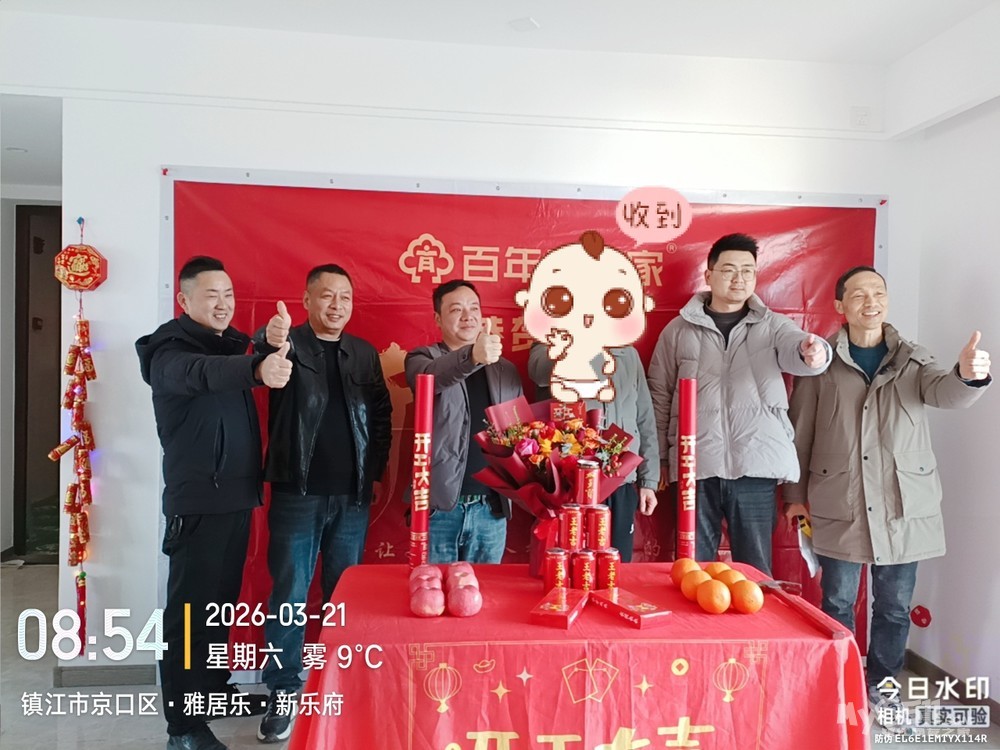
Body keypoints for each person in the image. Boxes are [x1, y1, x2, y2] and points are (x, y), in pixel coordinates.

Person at [785, 266, 990, 719]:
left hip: (902, 506)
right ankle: (838, 682)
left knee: (895, 607)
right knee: (836, 602)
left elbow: (946, 393)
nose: (871, 302)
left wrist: (967, 376)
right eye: (859, 294)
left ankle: (884, 687)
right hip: (841, 502)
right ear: (840, 305)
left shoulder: (913, 360)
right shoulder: (820, 364)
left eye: (878, 292)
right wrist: (794, 495)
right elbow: (800, 434)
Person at [136, 256, 292, 750]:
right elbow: (205, 373)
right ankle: (182, 727)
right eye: (211, 295)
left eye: (228, 294)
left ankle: (211, 693)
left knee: (218, 608)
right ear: (184, 300)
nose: (223, 304)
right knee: (189, 618)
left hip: (234, 497)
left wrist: (265, 342)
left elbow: (237, 354)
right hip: (198, 503)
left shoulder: (223, 343)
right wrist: (257, 366)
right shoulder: (169, 351)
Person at [252, 263, 391, 744]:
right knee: (290, 593)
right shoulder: (288, 343)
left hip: (352, 495)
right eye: (327, 296)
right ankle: (283, 692)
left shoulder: (363, 353)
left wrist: (375, 473)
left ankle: (339, 685)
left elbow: (380, 414)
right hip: (298, 492)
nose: (337, 305)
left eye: (345, 297)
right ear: (307, 300)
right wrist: (270, 337)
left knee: (344, 597)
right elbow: (258, 352)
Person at [646, 232, 831, 575]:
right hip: (695, 468)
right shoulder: (678, 331)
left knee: (755, 571)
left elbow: (798, 350)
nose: (739, 279)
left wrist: (815, 353)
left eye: (748, 271)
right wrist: (660, 460)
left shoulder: (773, 326)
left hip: (755, 465)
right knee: (693, 570)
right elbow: (659, 396)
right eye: (730, 270)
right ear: (709, 275)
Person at [404, 279, 523, 563]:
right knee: (433, 588)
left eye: (474, 308)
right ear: (438, 318)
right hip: (439, 511)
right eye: (456, 309)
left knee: (484, 588)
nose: (468, 316)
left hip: (490, 510)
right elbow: (429, 380)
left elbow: (520, 432)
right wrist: (472, 357)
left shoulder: (505, 370)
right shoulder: (422, 358)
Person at [529, 341, 659, 560]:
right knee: (573, 564)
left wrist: (649, 480)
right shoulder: (551, 341)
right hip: (572, 484)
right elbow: (539, 371)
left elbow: (644, 417)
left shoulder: (627, 352)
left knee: (616, 564)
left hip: (621, 479)